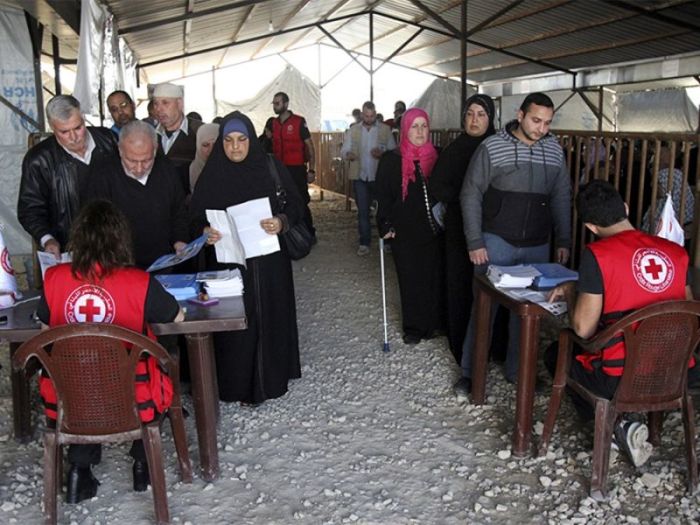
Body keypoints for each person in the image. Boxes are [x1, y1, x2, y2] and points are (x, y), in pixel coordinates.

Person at [36, 200, 184, 502]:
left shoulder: (54, 278)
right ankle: (142, 464)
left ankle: (78, 471)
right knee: (154, 365)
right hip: (133, 395)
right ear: (121, 239)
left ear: (78, 239)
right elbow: (175, 316)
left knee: (81, 380)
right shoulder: (139, 281)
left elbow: (43, 326)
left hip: (71, 396)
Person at [545, 180, 693, 466]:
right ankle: (627, 428)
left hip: (620, 377)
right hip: (676, 371)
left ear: (590, 227)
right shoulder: (677, 251)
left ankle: (617, 427)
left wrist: (572, 290)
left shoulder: (598, 256)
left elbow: (584, 329)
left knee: (556, 354)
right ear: (625, 208)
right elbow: (685, 313)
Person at [456, 92, 572, 395]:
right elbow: (470, 193)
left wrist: (563, 237)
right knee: (484, 308)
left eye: (547, 122)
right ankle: (471, 373)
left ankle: (519, 372)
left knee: (528, 313)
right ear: (520, 115)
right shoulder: (493, 147)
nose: (541, 128)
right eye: (536, 120)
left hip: (537, 244)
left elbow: (561, 195)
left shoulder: (554, 150)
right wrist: (475, 240)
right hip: (496, 241)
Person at [190, 111, 303, 404]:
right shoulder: (212, 175)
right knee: (235, 328)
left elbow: (297, 205)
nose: (235, 147)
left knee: (267, 319)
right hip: (229, 267)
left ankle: (269, 381)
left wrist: (280, 222)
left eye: (241, 140)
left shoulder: (269, 167)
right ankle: (235, 385)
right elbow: (192, 217)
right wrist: (204, 232)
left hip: (268, 265)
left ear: (251, 141)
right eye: (228, 141)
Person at [429, 94, 500, 364]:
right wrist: (467, 196)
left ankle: (494, 346)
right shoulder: (454, 150)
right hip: (459, 227)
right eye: (470, 114)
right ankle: (462, 345)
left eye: (481, 114)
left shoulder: (496, 148)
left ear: (490, 118)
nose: (474, 120)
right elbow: (437, 186)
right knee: (460, 282)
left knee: (491, 284)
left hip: (492, 227)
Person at [17, 95, 118, 259]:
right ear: (52, 127)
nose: (73, 137)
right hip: (70, 248)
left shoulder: (109, 140)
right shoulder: (39, 159)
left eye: (78, 127)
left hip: (114, 243)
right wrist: (47, 239)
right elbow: (30, 209)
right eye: (64, 132)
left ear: (83, 118)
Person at [376, 108, 444, 344]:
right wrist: (384, 224)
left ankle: (434, 324)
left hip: (434, 230)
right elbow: (383, 197)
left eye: (423, 126)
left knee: (433, 277)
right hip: (404, 231)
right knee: (410, 278)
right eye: (414, 126)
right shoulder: (392, 160)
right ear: (405, 130)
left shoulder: (438, 156)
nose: (420, 131)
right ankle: (414, 328)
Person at [85, 120, 189, 270]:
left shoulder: (167, 170)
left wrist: (180, 241)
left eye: (147, 160)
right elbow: (96, 226)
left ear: (155, 150)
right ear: (120, 150)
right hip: (120, 266)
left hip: (164, 263)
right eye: (132, 161)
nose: (139, 168)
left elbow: (178, 212)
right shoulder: (102, 175)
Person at [341, 101, 397, 256]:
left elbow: (394, 152)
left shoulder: (385, 130)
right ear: (362, 114)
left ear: (375, 113)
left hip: (380, 177)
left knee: (383, 210)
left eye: (372, 115)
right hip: (360, 176)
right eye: (366, 115)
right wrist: (348, 155)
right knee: (363, 212)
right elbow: (344, 150)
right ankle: (364, 242)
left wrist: (383, 154)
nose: (369, 118)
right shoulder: (353, 130)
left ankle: (386, 241)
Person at [267, 91, 317, 240]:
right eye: (274, 103)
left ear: (286, 104)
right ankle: (288, 235)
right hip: (279, 170)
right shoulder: (273, 123)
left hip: (296, 169)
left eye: (278, 103)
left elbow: (310, 146)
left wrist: (312, 170)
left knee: (301, 200)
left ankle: (309, 233)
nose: (275, 106)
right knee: (281, 201)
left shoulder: (299, 122)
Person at [152, 82, 203, 195]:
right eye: (156, 104)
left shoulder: (199, 132)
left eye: (165, 103)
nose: (159, 109)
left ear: (179, 104)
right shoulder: (150, 136)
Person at [641, 146, 694, 240]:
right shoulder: (677, 173)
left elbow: (659, 193)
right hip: (684, 222)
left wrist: (653, 176)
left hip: (672, 225)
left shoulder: (666, 173)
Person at [189, 123, 220, 192]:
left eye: (215, 145)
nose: (211, 150)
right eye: (205, 145)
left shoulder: (232, 171)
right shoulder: (190, 171)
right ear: (198, 145)